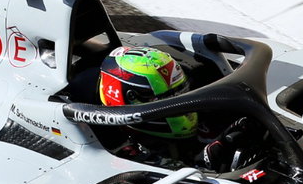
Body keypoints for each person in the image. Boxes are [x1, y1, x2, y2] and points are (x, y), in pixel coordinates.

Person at [97, 45, 259, 172]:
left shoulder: (201, 118)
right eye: (168, 98)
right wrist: (207, 161)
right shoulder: (119, 151)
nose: (179, 103)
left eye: (181, 91)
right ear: (133, 99)